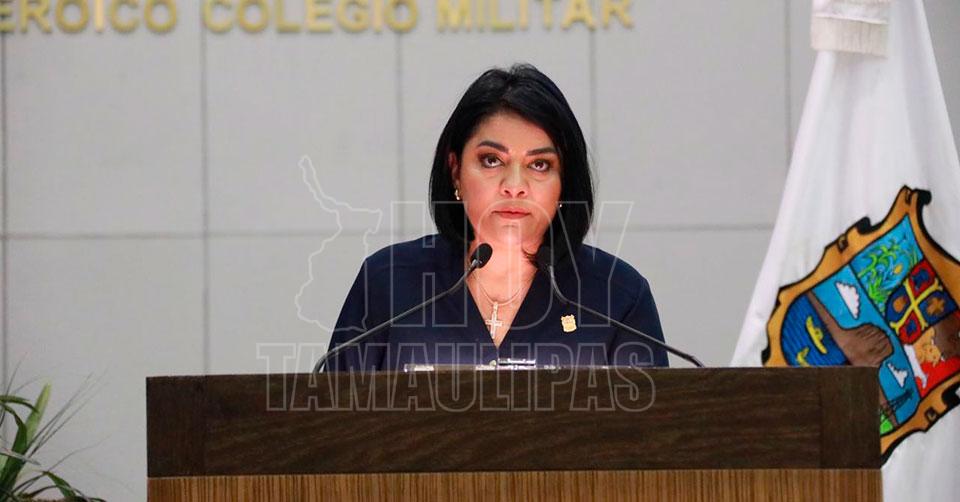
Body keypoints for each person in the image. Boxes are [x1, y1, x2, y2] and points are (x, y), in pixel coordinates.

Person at [325, 63, 668, 371]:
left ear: (564, 183)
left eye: (539, 165)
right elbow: (334, 416)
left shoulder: (616, 297)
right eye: (492, 160)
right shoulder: (388, 284)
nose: (514, 186)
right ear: (456, 172)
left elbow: (651, 421)